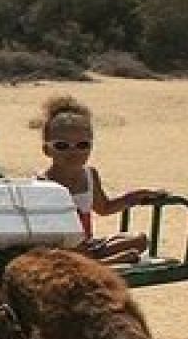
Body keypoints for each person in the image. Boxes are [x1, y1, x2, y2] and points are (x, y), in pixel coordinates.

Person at [36, 96, 162, 264]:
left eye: (83, 145)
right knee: (65, 251)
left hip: (88, 244)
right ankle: (104, 262)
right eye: (62, 146)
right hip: (60, 247)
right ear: (47, 150)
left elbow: (103, 208)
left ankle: (97, 260)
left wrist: (132, 198)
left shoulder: (90, 175)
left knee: (139, 240)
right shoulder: (42, 183)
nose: (74, 152)